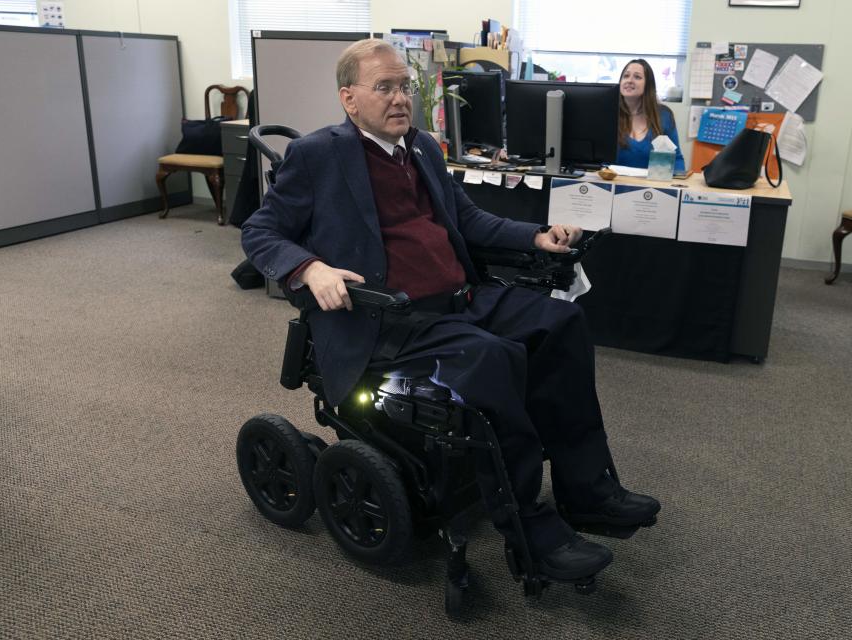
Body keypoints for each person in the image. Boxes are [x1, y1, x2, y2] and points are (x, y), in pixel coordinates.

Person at [242, 39, 660, 581]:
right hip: (389, 319)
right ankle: (530, 532)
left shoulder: (423, 150)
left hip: (461, 300)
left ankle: (588, 490)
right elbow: (260, 231)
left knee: (562, 323)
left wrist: (537, 238)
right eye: (384, 87)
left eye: (404, 86)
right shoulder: (318, 155)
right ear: (349, 99)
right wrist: (309, 269)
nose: (400, 98)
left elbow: (467, 221)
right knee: (495, 360)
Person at [616, 58, 686, 174]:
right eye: (626, 76)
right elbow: (598, 161)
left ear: (648, 85)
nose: (629, 80)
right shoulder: (609, 113)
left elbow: (676, 159)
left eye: (637, 77)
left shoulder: (663, 115)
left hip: (651, 187)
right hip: (612, 185)